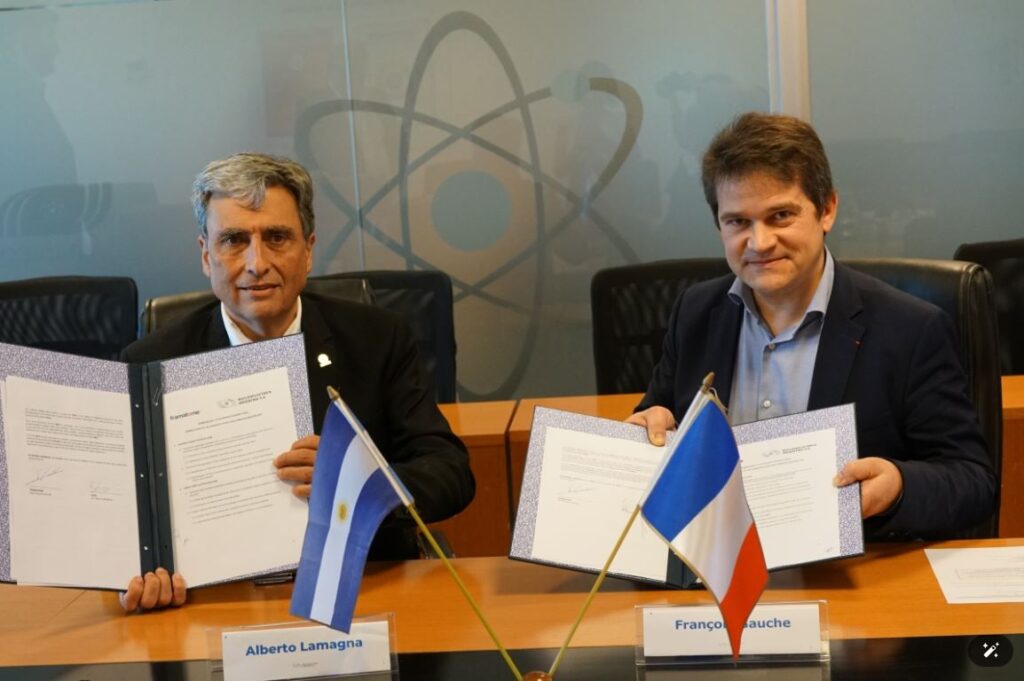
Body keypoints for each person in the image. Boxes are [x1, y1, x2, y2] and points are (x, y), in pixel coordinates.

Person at [119, 153, 475, 610]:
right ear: (207, 255)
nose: (256, 263)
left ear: (308, 250)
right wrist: (138, 574)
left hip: (363, 588)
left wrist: (358, 481)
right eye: (233, 240)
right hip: (212, 603)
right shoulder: (152, 363)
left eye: (276, 237)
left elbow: (450, 474)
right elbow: (125, 515)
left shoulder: (376, 338)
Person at [628, 112, 995, 540]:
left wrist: (898, 486)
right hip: (716, 558)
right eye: (738, 222)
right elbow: (660, 419)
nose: (760, 242)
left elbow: (973, 481)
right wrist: (649, 428)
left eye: (781, 215)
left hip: (848, 569)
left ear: (827, 210)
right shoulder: (695, 312)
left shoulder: (911, 329)